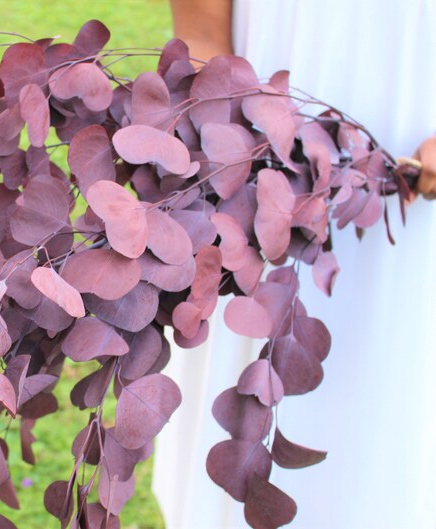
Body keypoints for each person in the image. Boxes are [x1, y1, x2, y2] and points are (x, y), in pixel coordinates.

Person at [153, 1, 436, 528]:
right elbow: (199, 30)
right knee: (248, 382)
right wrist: (231, 137)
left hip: (413, 191)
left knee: (397, 413)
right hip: (254, 182)